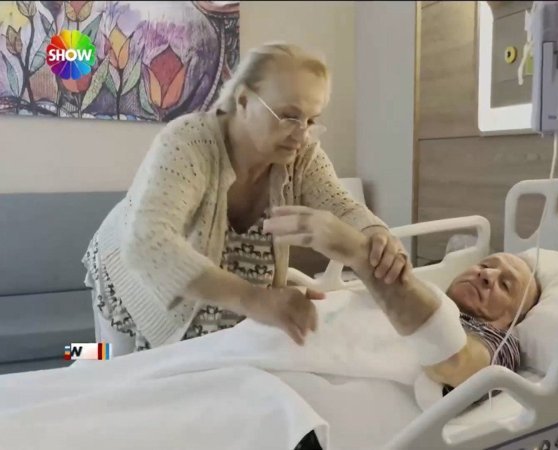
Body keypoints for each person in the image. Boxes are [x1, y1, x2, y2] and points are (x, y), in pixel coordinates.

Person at [82, 42, 410, 355]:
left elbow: (342, 206)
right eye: (289, 115)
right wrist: (255, 299)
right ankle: (76, 360)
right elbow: (148, 244)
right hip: (130, 274)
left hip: (214, 301)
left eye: (311, 120)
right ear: (243, 101)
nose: (302, 134)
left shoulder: (302, 155)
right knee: (111, 369)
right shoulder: (188, 143)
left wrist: (376, 234)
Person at [263, 205, 542, 388]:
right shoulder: (425, 294)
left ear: (510, 319)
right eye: (485, 264)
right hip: (282, 355)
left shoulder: (501, 343)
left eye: (505, 285)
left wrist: (360, 255)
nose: (487, 275)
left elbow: (455, 364)